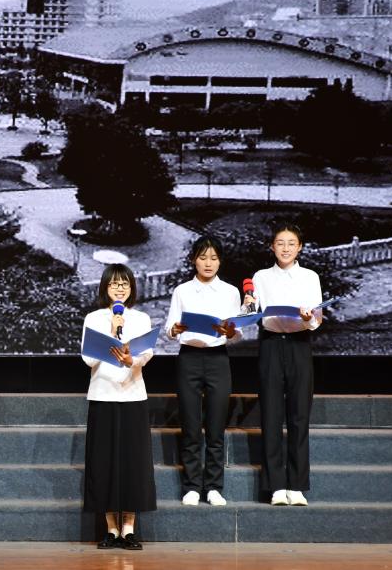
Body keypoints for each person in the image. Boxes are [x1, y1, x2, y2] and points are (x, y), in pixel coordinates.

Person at [244, 224, 323, 507]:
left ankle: (297, 485)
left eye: (291, 243)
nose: (286, 248)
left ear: (299, 247)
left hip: (299, 344)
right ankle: (276, 485)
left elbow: (317, 319)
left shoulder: (310, 277)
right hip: (271, 344)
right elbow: (251, 315)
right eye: (280, 243)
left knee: (299, 414)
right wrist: (248, 304)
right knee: (271, 414)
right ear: (272, 246)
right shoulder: (261, 277)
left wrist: (308, 317)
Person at [80, 263, 157, 551]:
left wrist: (131, 360)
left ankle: (129, 529)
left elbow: (147, 353)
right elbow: (88, 359)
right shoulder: (94, 318)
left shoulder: (141, 318)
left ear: (131, 288)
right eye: (114, 284)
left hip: (133, 396)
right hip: (102, 395)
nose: (120, 288)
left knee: (133, 464)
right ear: (105, 288)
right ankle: (111, 528)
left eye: (125, 283)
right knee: (104, 463)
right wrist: (112, 334)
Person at [166, 235, 241, 508]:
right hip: (189, 358)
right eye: (203, 257)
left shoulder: (230, 292)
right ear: (193, 260)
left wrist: (229, 331)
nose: (208, 263)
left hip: (218, 359)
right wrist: (175, 329)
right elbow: (170, 328)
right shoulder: (182, 291)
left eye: (214, 258)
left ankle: (214, 487)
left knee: (216, 426)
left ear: (220, 261)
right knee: (190, 426)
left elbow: (237, 334)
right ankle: (192, 486)